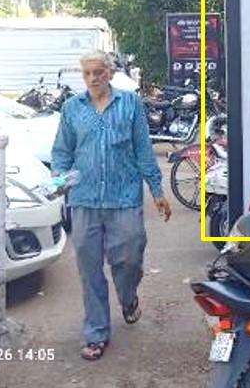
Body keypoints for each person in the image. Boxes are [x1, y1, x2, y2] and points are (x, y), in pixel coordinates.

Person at [51, 50, 171, 362]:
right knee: (89, 269)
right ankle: (96, 332)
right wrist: (59, 179)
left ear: (110, 72)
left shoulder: (130, 103)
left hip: (124, 196)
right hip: (84, 199)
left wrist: (156, 190)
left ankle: (128, 298)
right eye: (87, 73)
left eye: (98, 72)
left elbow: (144, 149)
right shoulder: (71, 108)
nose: (92, 79)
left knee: (130, 258)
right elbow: (62, 151)